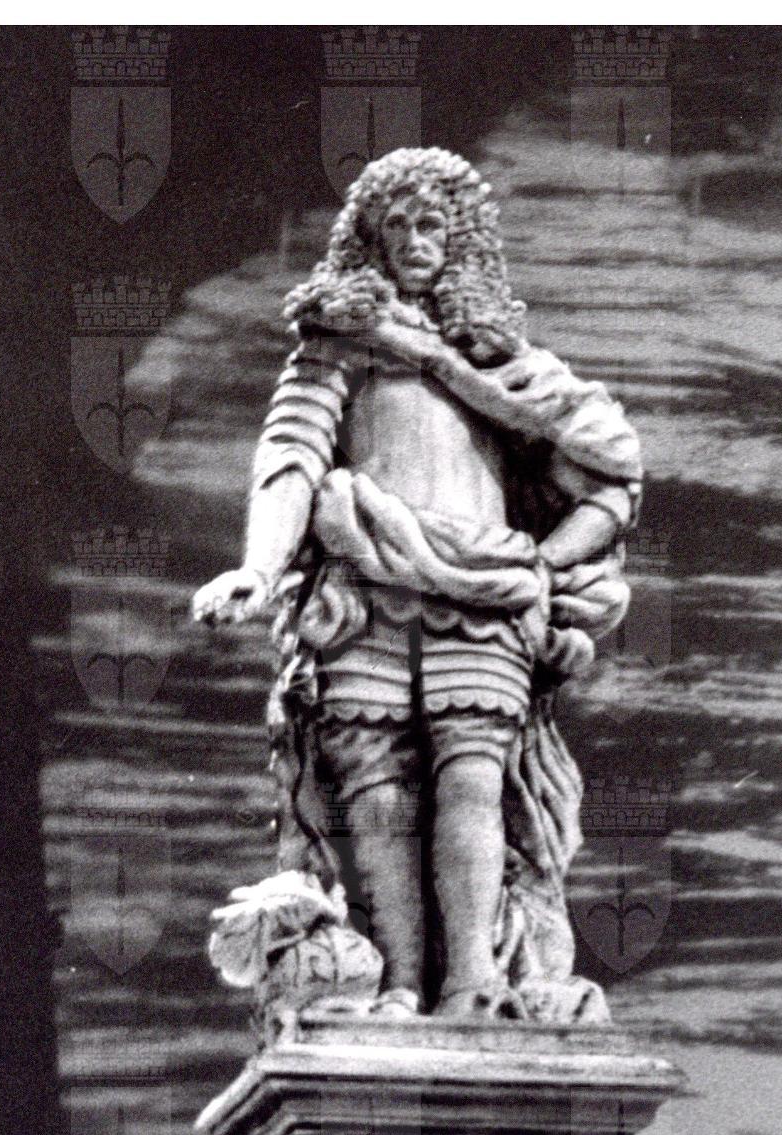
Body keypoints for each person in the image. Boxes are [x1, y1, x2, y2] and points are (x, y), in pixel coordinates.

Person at [191, 147, 641, 1022]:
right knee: (379, 797)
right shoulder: (340, 343)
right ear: (368, 240)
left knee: (475, 783)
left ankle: (474, 983)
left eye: (431, 222)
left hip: (484, 594)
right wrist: (260, 567)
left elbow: (612, 476)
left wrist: (543, 568)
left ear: (462, 238)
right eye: (394, 225)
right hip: (363, 591)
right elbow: (290, 457)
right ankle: (398, 983)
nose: (413, 240)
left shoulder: (506, 364)